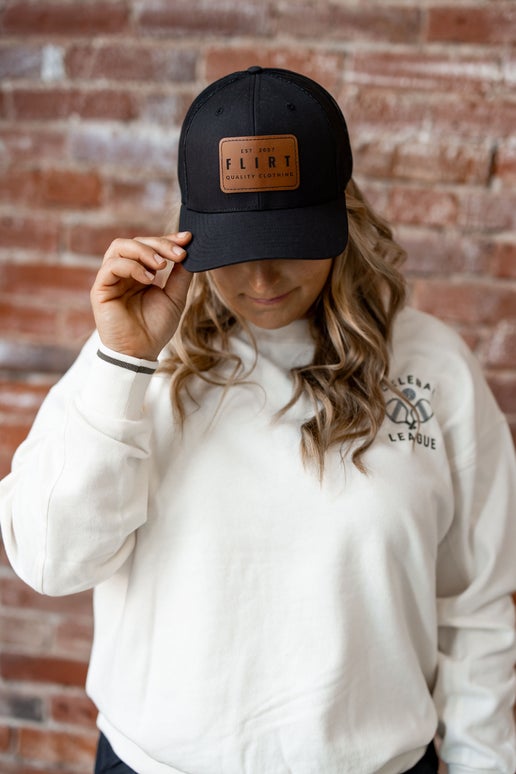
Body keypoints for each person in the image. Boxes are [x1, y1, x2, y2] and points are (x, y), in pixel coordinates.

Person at [0, 66, 515, 774]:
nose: (264, 280)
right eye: (238, 251)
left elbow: (476, 609)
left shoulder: (435, 366)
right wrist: (123, 362)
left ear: (343, 218)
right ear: (193, 233)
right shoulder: (134, 360)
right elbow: (51, 563)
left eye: (291, 240)